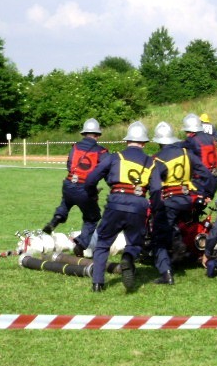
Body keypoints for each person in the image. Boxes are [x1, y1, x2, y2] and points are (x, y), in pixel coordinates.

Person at [84, 121, 160, 292]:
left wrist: (92, 193)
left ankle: (97, 283)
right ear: (144, 143)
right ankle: (127, 257)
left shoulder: (114, 157)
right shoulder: (151, 162)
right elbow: (156, 191)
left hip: (116, 202)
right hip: (139, 204)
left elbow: (91, 178)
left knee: (103, 243)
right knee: (135, 242)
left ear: (127, 141)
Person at [149, 121, 213, 285]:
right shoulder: (186, 153)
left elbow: (156, 188)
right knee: (183, 226)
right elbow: (206, 174)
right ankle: (185, 249)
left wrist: (156, 207)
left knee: (159, 237)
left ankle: (166, 273)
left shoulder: (157, 159)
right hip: (188, 199)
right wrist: (204, 193)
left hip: (170, 200)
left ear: (158, 141)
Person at [42, 118, 108, 257]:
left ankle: (56, 218)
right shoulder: (101, 152)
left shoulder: (75, 147)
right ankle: (81, 244)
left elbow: (69, 165)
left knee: (66, 202)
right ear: (97, 135)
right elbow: (105, 170)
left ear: (84, 134)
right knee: (93, 218)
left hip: (69, 183)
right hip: (85, 188)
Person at [181, 113, 217, 199]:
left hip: (201, 179)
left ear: (189, 130)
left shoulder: (192, 140)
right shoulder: (210, 138)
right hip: (214, 178)